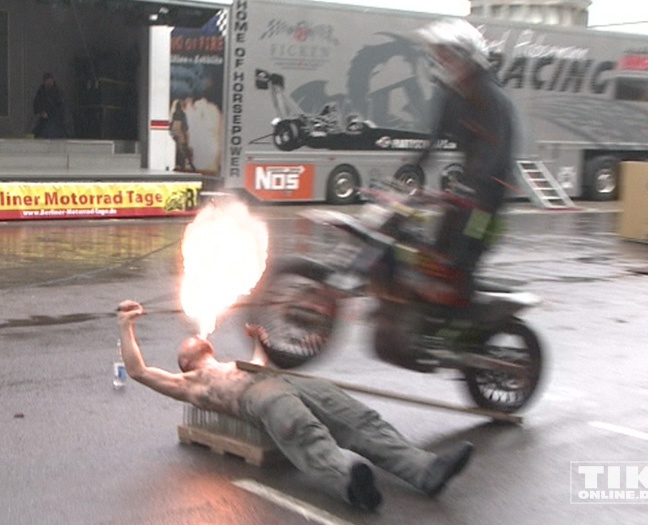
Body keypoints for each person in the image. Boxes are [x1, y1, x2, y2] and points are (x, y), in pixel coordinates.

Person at [117, 299, 474, 511]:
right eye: (187, 343)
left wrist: (259, 341)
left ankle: (426, 470)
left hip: (283, 382)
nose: (193, 338)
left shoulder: (227, 364)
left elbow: (258, 364)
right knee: (306, 435)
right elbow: (138, 371)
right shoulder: (189, 384)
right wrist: (125, 326)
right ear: (184, 362)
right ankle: (349, 484)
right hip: (258, 398)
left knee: (360, 420)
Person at [413, 18, 519, 298]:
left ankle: (466, 325)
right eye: (440, 55)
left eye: (448, 55)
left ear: (467, 56)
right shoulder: (451, 96)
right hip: (468, 183)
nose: (444, 61)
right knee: (436, 249)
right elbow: (433, 139)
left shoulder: (491, 97)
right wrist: (411, 170)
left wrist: (476, 186)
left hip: (492, 190)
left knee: (465, 253)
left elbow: (497, 150)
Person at [32, 72, 67, 138]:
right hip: (42, 120)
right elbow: (36, 103)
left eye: (49, 80)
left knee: (49, 133)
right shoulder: (40, 92)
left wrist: (48, 114)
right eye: (46, 80)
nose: (48, 82)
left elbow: (59, 108)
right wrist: (39, 112)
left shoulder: (58, 92)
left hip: (55, 121)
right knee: (35, 134)